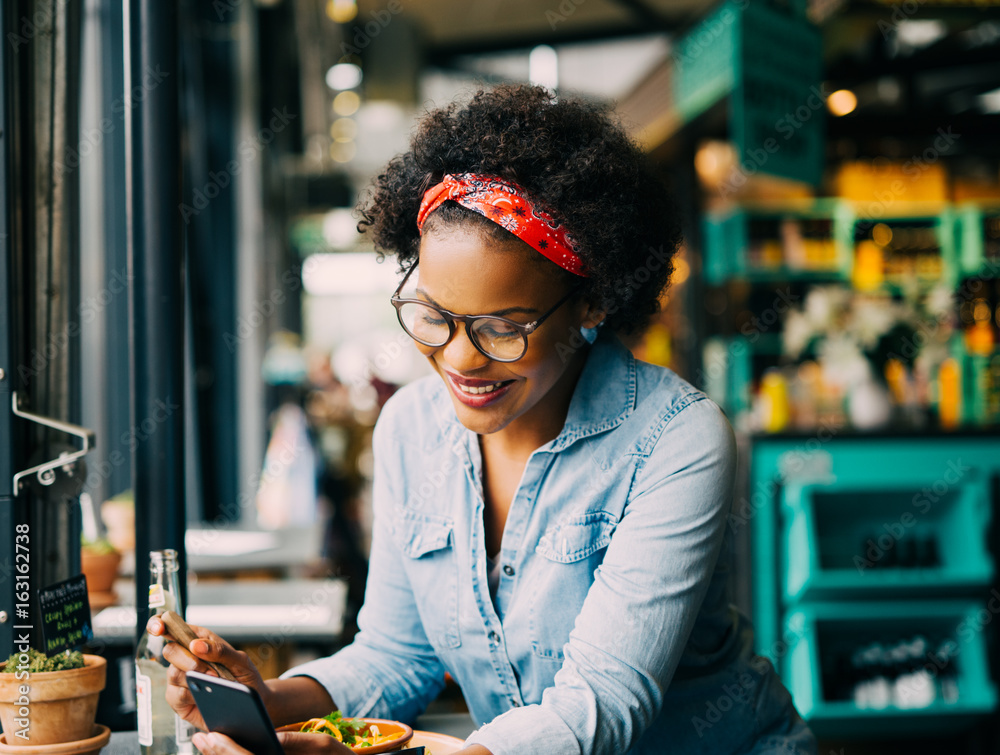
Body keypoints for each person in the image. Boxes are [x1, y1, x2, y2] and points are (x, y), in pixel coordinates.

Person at [150, 84, 816, 755]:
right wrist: (271, 700)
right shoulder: (409, 428)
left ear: (591, 303)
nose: (459, 358)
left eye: (503, 327)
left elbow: (601, 705)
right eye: (435, 316)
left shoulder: (674, 438)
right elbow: (392, 655)